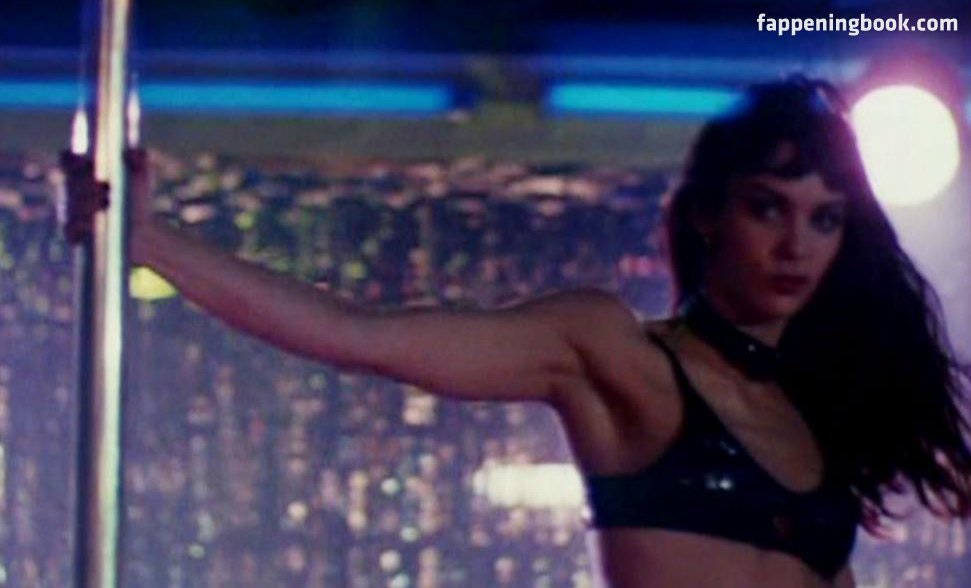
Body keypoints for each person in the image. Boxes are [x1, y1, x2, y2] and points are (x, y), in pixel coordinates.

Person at [63, 75, 971, 588]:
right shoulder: (617, 356)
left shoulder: (813, 418)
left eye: (823, 219)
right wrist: (149, 241)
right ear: (707, 215)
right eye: (767, 208)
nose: (794, 245)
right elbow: (359, 334)